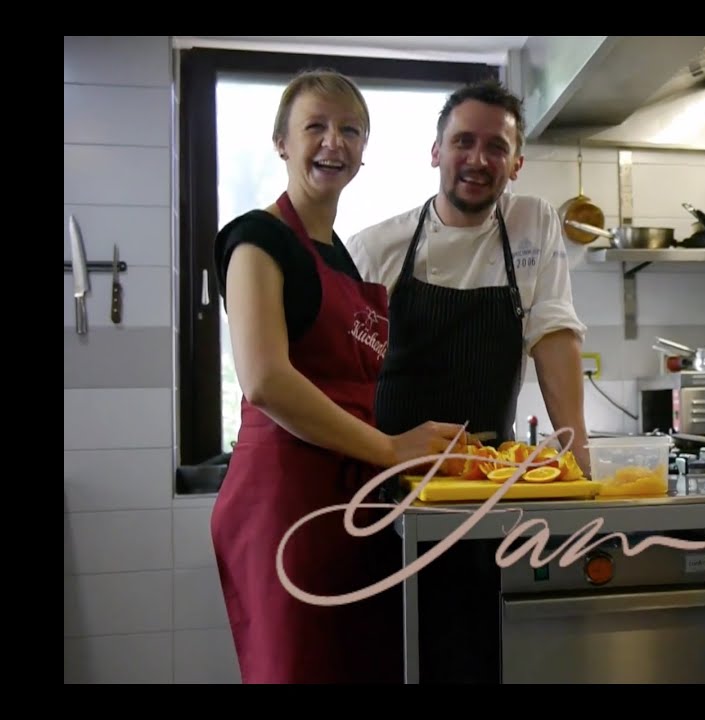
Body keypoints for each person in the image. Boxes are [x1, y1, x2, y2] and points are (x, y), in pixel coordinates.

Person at [209, 68, 475, 685]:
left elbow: (349, 392)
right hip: (285, 507)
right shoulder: (256, 241)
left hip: (349, 503)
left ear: (364, 150)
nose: (335, 142)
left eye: (350, 130)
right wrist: (388, 448)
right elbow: (266, 380)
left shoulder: (343, 258)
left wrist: (410, 451)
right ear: (282, 141)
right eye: (316, 127)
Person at [346, 79, 591, 474]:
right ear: (435, 153)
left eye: (496, 147)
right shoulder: (374, 249)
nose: (478, 160)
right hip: (389, 478)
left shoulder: (533, 222)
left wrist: (580, 461)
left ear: (516, 166)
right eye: (463, 141)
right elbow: (342, 375)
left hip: (488, 476)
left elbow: (554, 336)